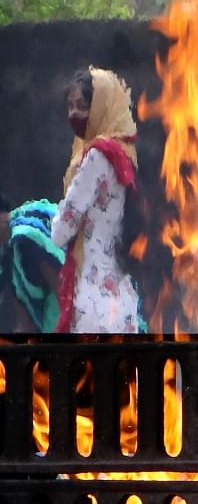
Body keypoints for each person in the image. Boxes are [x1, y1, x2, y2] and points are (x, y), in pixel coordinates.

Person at [52, 67, 143, 333]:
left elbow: (60, 232)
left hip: (93, 301)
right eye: (69, 106)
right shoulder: (124, 153)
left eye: (81, 106)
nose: (73, 114)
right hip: (120, 294)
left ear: (101, 107)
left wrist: (56, 214)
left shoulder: (96, 157)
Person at [0, 199, 65, 333]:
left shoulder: (25, 240)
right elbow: (20, 302)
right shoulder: (5, 254)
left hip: (65, 307)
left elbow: (60, 286)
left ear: (3, 218)